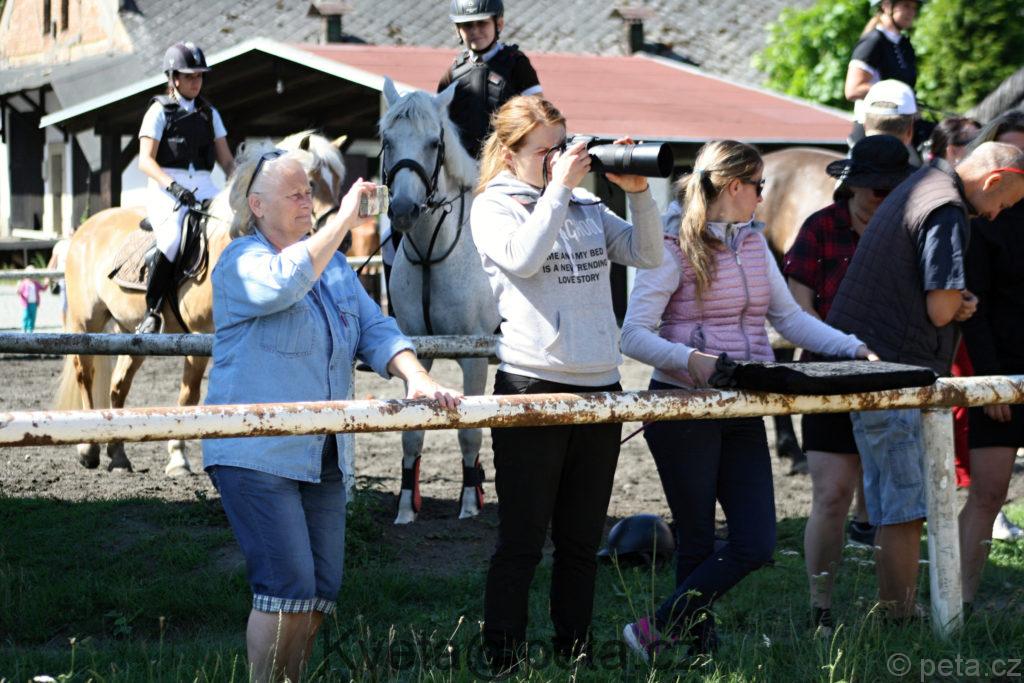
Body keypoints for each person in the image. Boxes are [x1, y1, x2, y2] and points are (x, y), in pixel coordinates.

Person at [203, 148, 458, 683]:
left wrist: (414, 374)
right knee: (285, 586)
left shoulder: (335, 267)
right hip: (256, 453)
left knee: (319, 589)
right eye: (294, 194)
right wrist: (343, 221)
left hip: (322, 455)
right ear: (256, 205)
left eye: (309, 192)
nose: (308, 201)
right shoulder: (239, 262)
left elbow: (375, 328)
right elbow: (285, 282)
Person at [620, 140, 873, 660]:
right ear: (734, 186)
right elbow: (633, 334)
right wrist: (691, 360)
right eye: (759, 186)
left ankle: (657, 627)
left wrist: (852, 347)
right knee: (695, 538)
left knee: (756, 542)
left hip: (742, 405)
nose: (763, 195)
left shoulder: (753, 241)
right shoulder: (669, 243)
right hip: (684, 407)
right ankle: (696, 648)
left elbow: (790, 319)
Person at [470, 95, 662, 668]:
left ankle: (574, 653)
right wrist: (558, 189)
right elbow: (524, 259)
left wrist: (639, 193)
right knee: (522, 539)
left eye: (564, 145)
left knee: (581, 540)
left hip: (600, 385)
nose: (559, 157)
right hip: (533, 386)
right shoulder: (492, 206)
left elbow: (647, 253)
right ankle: (503, 657)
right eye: (545, 150)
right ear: (511, 152)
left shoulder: (583, 201)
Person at [826, 141, 1024, 620]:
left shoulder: (927, 183)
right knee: (906, 506)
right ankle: (900, 618)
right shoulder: (947, 207)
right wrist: (962, 304)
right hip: (894, 370)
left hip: (880, 363)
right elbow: (940, 308)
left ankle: (899, 609)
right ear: (993, 180)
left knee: (896, 502)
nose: (996, 215)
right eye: (1003, 203)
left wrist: (957, 299)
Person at [783, 135, 914, 633]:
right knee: (833, 494)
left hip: (890, 377)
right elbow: (798, 309)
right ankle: (820, 607)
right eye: (875, 188)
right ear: (852, 184)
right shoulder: (820, 227)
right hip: (828, 376)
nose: (883, 196)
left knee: (893, 501)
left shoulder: (909, 229)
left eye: (892, 189)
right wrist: (842, 348)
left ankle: (896, 610)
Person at [959, 112, 1024, 612]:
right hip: (1000, 366)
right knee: (989, 492)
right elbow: (974, 306)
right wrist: (989, 379)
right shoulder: (982, 219)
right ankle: (958, 600)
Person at [136, 41, 235, 334]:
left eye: (200, 76)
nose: (196, 82)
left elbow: (227, 160)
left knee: (233, 225)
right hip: (165, 187)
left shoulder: (210, 113)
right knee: (171, 239)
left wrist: (243, 185)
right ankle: (152, 310)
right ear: (174, 78)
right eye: (190, 76)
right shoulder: (158, 111)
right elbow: (145, 160)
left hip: (205, 186)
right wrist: (174, 187)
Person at [438, 0, 542, 159]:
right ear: (457, 30)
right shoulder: (452, 72)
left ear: (499, 24)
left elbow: (539, 114)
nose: (475, 31)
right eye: (467, 25)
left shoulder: (516, 64)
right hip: (462, 165)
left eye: (482, 23)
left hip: (506, 162)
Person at [846, 0, 920, 146]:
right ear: (886, 6)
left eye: (914, 8)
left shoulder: (904, 44)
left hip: (902, 124)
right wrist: (900, 95)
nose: (911, 12)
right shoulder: (873, 41)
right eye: (906, 6)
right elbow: (853, 90)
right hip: (874, 127)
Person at [46, 235, 71, 327]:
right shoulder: (60, 244)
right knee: (64, 303)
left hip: (69, 278)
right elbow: (53, 262)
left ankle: (67, 326)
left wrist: (47, 277)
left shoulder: (62, 244)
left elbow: (53, 262)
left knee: (67, 303)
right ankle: (65, 326)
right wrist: (47, 276)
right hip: (63, 278)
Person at [16, 266, 45, 333]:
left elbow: (43, 288)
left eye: (33, 275)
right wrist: (18, 289)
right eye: (30, 275)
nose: (31, 277)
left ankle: (31, 329)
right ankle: (24, 329)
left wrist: (46, 283)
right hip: (26, 303)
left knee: (33, 316)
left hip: (34, 303)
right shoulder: (24, 283)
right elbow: (19, 291)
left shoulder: (36, 283)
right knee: (26, 316)